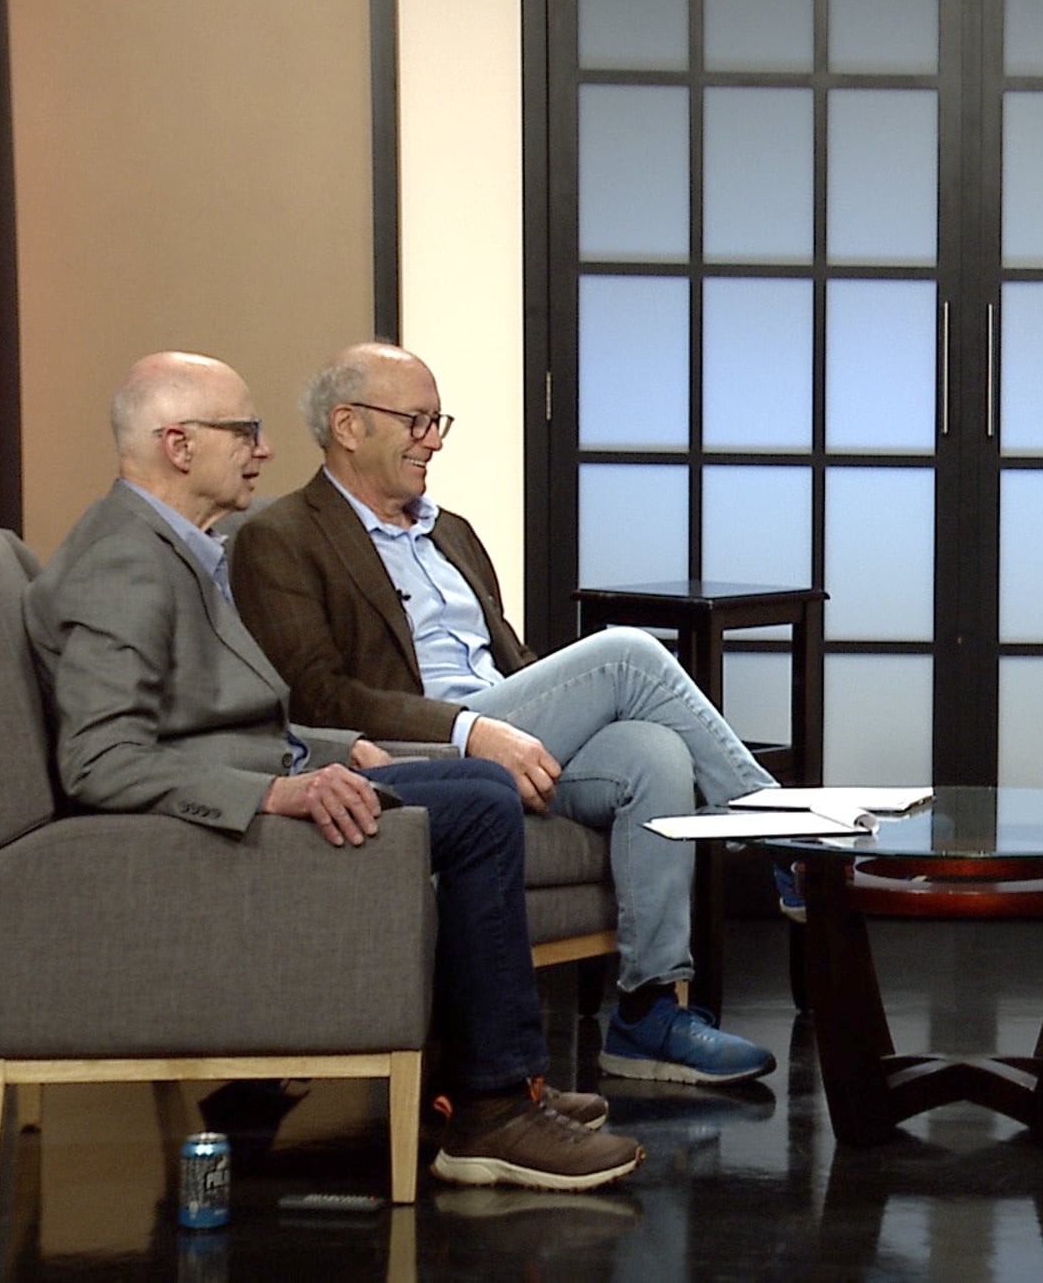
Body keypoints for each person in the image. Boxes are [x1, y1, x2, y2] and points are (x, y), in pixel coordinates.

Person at [25, 351, 639, 1191]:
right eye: (244, 431)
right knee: (480, 803)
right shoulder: (124, 563)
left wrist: (330, 747)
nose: (265, 449)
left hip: (278, 776)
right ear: (178, 444)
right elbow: (100, 760)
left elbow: (205, 718)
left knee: (478, 789)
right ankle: (491, 1108)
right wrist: (279, 790)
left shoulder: (175, 546)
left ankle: (494, 1082)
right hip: (222, 826)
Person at [228, 342, 778, 1087]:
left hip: (499, 729)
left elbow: (508, 664)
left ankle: (646, 1014)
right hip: (414, 752)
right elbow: (316, 695)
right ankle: (784, 833)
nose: (433, 440)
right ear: (348, 426)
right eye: (416, 421)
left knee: (654, 752)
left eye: (438, 422)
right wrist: (470, 732)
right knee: (627, 654)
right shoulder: (281, 538)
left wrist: (521, 727)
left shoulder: (449, 530)